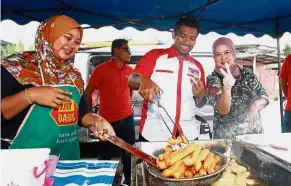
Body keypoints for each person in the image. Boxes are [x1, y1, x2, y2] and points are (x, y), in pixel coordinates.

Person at [1, 15, 115, 160]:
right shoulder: (15, 67)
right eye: (67, 37)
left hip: (64, 160)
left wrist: (97, 120)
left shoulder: (73, 76)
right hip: (22, 163)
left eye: (77, 42)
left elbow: (82, 114)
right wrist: (30, 95)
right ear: (49, 34)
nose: (72, 45)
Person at [128, 17, 206, 142]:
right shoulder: (155, 56)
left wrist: (201, 96)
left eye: (192, 39)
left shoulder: (198, 67)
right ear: (173, 34)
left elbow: (200, 103)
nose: (187, 42)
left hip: (188, 134)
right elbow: (132, 80)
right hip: (154, 133)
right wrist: (143, 80)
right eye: (183, 36)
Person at [85, 39, 134, 185]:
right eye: (126, 49)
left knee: (128, 152)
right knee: (104, 154)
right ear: (116, 50)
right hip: (107, 120)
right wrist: (90, 116)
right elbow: (88, 93)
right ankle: (103, 181)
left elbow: (130, 91)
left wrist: (126, 105)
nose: (129, 52)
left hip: (127, 118)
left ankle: (129, 180)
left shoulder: (130, 71)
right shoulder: (100, 70)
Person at [206, 37, 269, 139]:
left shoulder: (247, 74)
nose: (223, 57)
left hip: (253, 136)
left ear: (233, 53)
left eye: (227, 52)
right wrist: (226, 88)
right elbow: (222, 110)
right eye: (218, 54)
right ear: (214, 57)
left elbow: (264, 96)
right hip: (227, 141)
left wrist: (255, 105)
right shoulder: (212, 80)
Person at [279, 54, 291, 133]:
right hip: (290, 110)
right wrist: (288, 96)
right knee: (286, 142)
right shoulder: (289, 59)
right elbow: (282, 81)